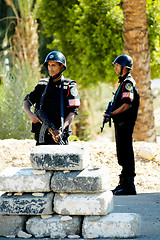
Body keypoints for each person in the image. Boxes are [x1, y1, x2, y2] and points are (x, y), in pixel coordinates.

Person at [24, 51, 80, 145]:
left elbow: (73, 111)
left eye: (53, 65)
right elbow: (27, 101)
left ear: (61, 66)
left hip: (60, 134)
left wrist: (62, 128)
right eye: (49, 65)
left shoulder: (70, 85)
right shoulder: (42, 84)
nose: (50, 68)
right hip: (41, 135)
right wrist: (30, 114)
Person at [104, 54, 140, 195]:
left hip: (125, 123)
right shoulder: (123, 82)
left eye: (117, 65)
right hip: (121, 124)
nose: (115, 67)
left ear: (124, 67)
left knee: (126, 152)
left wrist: (112, 114)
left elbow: (126, 104)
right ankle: (123, 183)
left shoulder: (127, 83)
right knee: (122, 153)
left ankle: (129, 185)